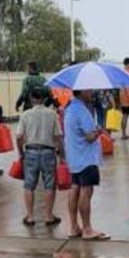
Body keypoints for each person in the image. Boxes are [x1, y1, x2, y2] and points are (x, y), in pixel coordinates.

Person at [64, 89, 109, 240]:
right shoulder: (82, 110)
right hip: (86, 158)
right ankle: (87, 228)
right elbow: (89, 137)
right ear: (81, 91)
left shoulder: (69, 108)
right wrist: (99, 131)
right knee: (86, 191)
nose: (91, 92)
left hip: (74, 157)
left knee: (75, 188)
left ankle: (73, 226)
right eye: (89, 90)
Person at [17, 86, 62, 227]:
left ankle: (30, 217)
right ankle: (48, 216)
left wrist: (21, 153)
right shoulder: (52, 114)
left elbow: (19, 136)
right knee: (49, 184)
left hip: (30, 151)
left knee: (29, 185)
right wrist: (60, 153)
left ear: (31, 98)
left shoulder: (25, 115)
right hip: (48, 151)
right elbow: (58, 136)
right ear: (45, 99)